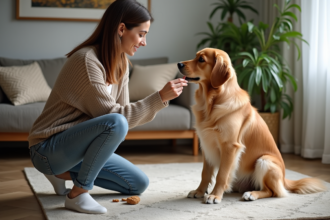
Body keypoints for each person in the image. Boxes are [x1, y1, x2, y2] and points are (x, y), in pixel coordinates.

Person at [28, 0, 188, 214]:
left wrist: (159, 99)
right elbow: (115, 118)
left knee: (137, 184)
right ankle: (78, 194)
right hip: (48, 149)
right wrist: (159, 97)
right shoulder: (86, 61)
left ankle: (60, 174)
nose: (144, 42)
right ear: (122, 29)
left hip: (79, 150)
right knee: (116, 121)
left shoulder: (121, 63)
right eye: (141, 34)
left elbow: (124, 121)